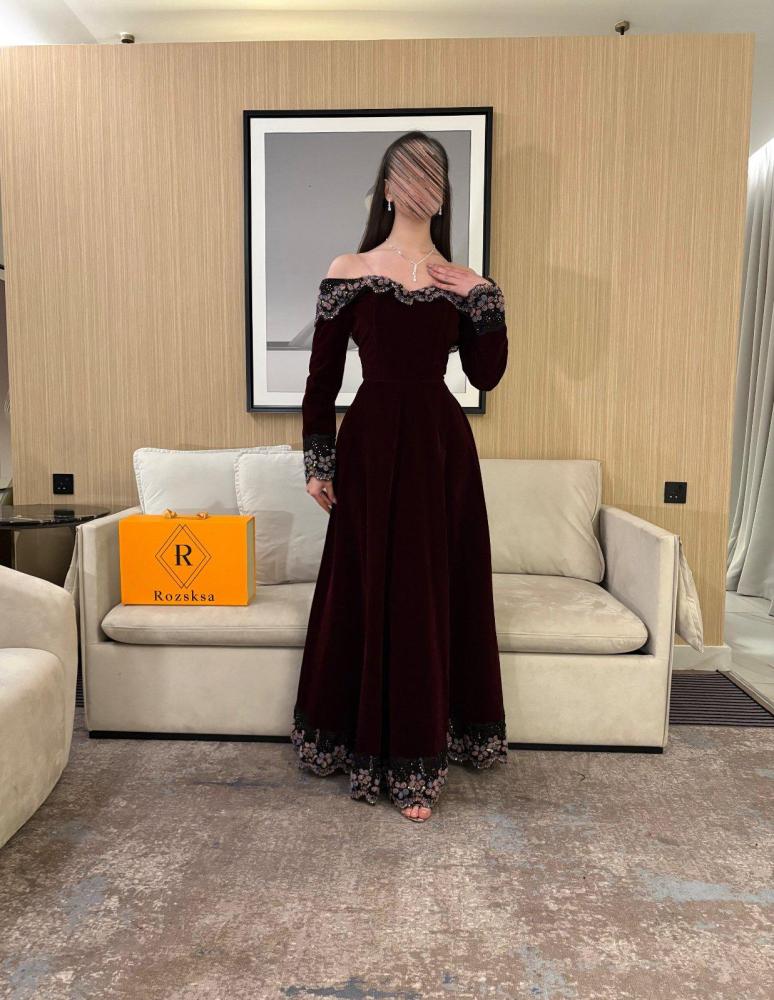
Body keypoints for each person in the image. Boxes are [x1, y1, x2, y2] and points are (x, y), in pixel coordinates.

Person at [290, 130, 509, 823]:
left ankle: (419, 756)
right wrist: (318, 459)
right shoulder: (349, 269)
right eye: (405, 171)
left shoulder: (461, 281)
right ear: (386, 187)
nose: (417, 183)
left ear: (442, 193)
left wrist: (485, 297)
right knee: (365, 587)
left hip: (441, 452)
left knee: (429, 593)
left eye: (431, 172)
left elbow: (485, 376)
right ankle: (359, 742)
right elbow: (321, 380)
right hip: (372, 446)